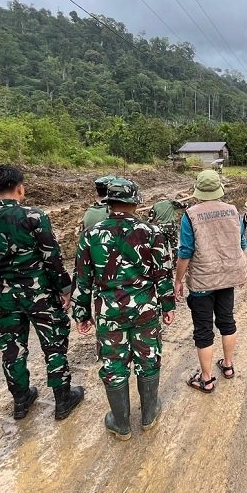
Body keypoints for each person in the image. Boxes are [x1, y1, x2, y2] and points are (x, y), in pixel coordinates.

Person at [0, 165, 84, 421]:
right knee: (53, 344)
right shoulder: (34, 217)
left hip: (6, 296)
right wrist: (65, 289)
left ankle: (21, 400)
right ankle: (62, 399)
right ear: (20, 188)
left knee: (12, 349)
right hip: (39, 293)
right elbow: (51, 257)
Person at [73, 180, 175, 440]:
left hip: (110, 312)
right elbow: (162, 273)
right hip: (145, 309)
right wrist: (168, 305)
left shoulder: (90, 234)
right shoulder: (151, 232)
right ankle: (149, 414)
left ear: (108, 203)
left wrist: (81, 314)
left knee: (113, 363)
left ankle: (121, 424)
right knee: (148, 357)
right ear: (135, 202)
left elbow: (83, 279)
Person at [174, 170, 247, 393]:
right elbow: (242, 243)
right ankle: (227, 366)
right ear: (219, 188)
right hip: (227, 278)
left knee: (203, 329)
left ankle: (206, 379)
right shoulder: (232, 211)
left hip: (201, 283)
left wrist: (178, 280)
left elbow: (185, 252)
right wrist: (242, 270)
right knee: (227, 321)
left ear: (198, 189)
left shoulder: (190, 215)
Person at [147, 194, 188, 268]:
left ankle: (165, 265)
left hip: (161, 228)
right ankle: (175, 264)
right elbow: (182, 205)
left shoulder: (155, 206)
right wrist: (186, 205)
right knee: (174, 247)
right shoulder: (170, 203)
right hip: (171, 227)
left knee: (163, 247)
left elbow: (150, 219)